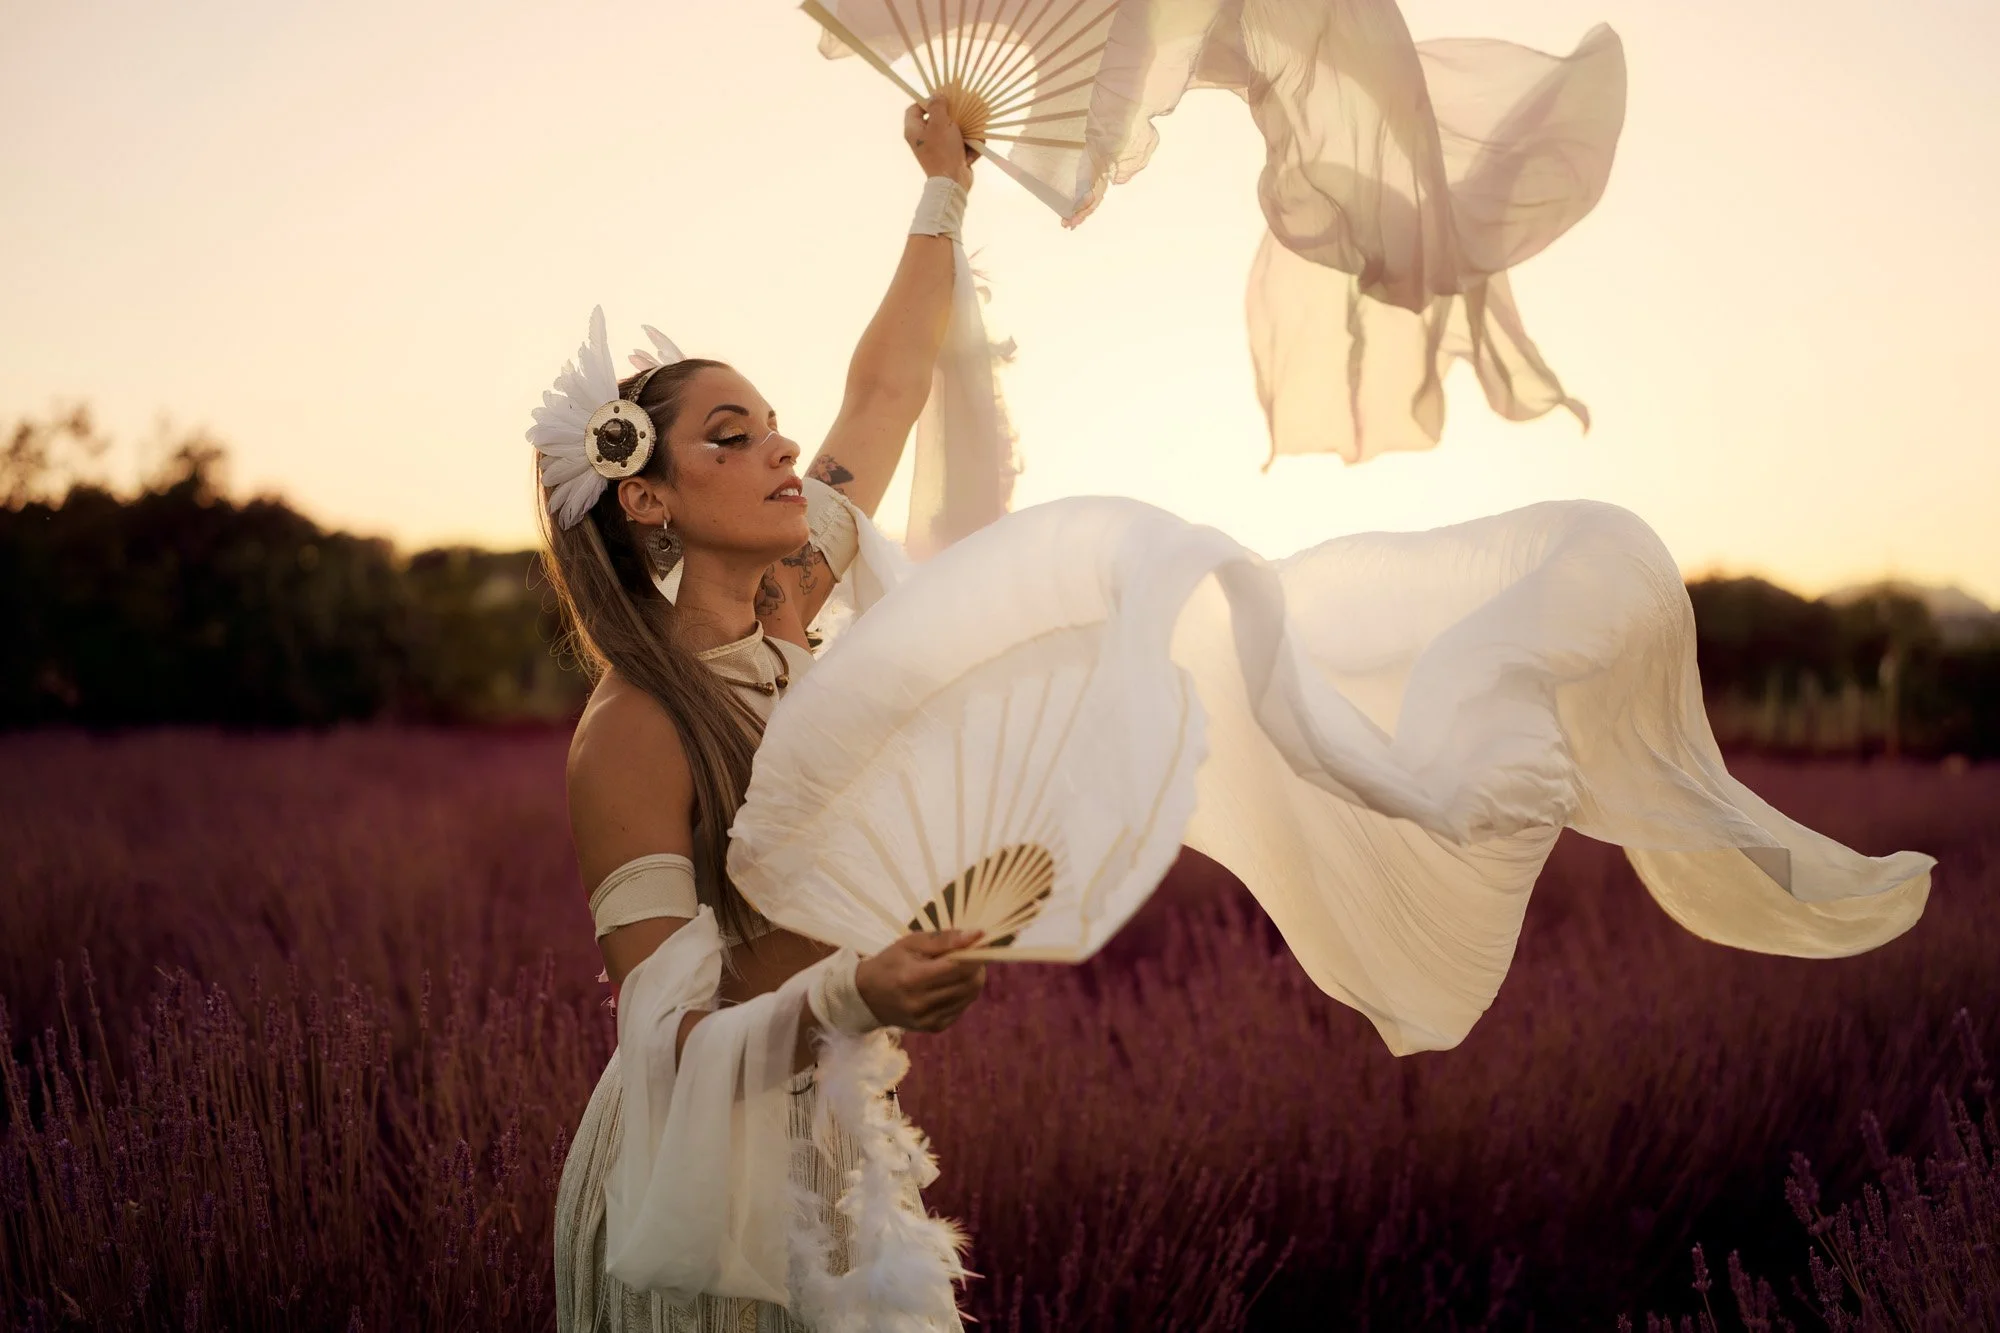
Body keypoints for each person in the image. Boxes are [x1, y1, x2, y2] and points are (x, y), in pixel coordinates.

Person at [544, 98, 986, 1332]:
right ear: (649, 503)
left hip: (831, 1148)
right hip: (696, 1200)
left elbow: (887, 387)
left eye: (770, 423)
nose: (786, 446)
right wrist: (860, 991)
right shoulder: (632, 727)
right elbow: (669, 1042)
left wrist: (943, 180)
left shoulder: (798, 589)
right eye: (732, 437)